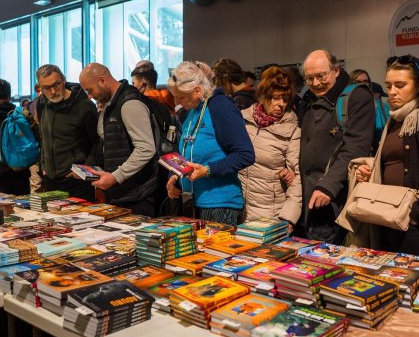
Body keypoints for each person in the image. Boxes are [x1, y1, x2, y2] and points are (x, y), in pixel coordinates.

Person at [346, 56, 419, 257]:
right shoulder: (394, 120)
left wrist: (414, 214)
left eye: (400, 85)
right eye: (389, 86)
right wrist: (372, 171)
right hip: (388, 222)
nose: (392, 92)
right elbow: (394, 161)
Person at [298, 50, 375, 243]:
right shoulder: (307, 100)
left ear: (336, 71)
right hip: (305, 200)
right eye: (309, 78)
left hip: (335, 200)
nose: (315, 83)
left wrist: (328, 187)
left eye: (321, 76)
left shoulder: (356, 97)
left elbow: (356, 147)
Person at [165, 61, 255, 224]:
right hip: (191, 202)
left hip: (220, 205)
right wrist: (174, 176)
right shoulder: (191, 111)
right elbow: (187, 153)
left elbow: (245, 154)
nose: (177, 102)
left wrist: (207, 170)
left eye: (181, 97)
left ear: (197, 91)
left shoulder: (220, 106)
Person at [79, 63, 159, 216]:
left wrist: (115, 177)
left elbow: (146, 148)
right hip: (120, 193)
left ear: (102, 81)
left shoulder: (130, 103)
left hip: (137, 196)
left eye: (89, 90)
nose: (89, 96)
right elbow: (109, 144)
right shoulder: (110, 104)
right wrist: (90, 170)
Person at [239, 67, 302, 228]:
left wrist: (288, 219)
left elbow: (297, 179)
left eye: (285, 99)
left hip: (270, 214)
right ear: (262, 96)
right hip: (238, 209)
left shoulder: (292, 129)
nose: (281, 104)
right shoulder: (243, 119)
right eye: (275, 98)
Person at [36, 64, 100, 201]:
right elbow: (43, 137)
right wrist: (43, 164)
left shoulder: (84, 106)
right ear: (41, 88)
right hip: (50, 180)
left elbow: (98, 141)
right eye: (46, 88)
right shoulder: (42, 103)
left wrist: (85, 167)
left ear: (63, 81)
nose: (53, 91)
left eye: (56, 85)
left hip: (76, 181)